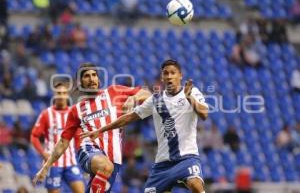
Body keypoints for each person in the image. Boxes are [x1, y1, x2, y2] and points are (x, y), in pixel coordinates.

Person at [81, 59, 209, 193]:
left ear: (180, 75)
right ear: (162, 77)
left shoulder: (191, 92)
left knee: (196, 185)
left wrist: (189, 97)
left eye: (173, 73)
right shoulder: (155, 99)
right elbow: (128, 118)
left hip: (187, 158)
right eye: (166, 73)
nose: (169, 76)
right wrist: (101, 129)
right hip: (162, 164)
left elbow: (204, 114)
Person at [33, 63, 151, 193]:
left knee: (102, 178)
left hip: (114, 159)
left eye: (94, 75)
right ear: (80, 82)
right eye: (87, 76)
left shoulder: (114, 92)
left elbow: (147, 93)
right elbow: (62, 142)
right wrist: (46, 166)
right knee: (105, 166)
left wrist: (134, 98)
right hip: (89, 150)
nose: (91, 79)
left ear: (98, 79)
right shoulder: (76, 110)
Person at [31, 82, 85, 193]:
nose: (61, 95)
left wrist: (83, 155)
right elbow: (34, 136)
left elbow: (78, 138)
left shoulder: (73, 114)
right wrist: (43, 153)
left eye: (64, 93)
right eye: (58, 93)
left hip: (71, 162)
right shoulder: (46, 114)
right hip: (52, 164)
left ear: (67, 95)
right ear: (54, 95)